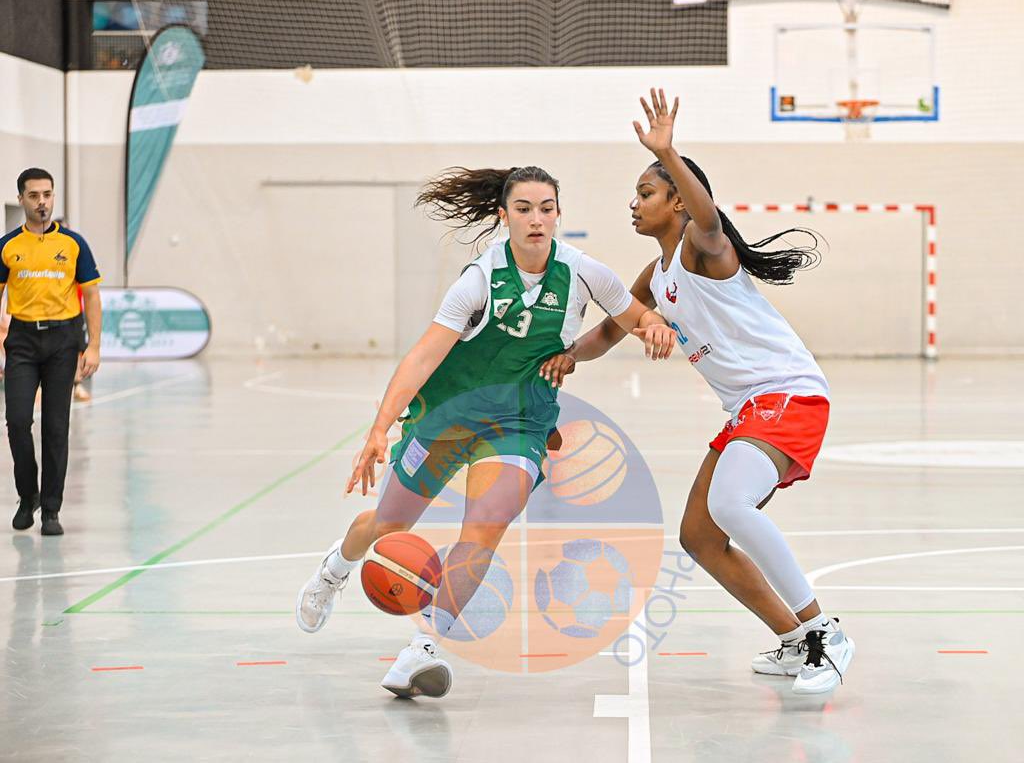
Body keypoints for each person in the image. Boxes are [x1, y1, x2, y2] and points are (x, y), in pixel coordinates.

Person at [295, 165, 675, 698]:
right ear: (504, 216)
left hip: (520, 424)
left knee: (482, 531)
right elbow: (426, 354)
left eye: (546, 208)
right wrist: (379, 429)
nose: (536, 219)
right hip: (449, 418)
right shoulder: (479, 279)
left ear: (558, 214)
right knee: (386, 524)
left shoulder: (586, 272)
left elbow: (637, 315)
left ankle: (423, 649)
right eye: (523, 209)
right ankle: (335, 570)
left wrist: (653, 326)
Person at [541, 90, 854, 695]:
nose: (634, 203)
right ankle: (793, 640)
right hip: (750, 408)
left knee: (730, 505)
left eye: (647, 192)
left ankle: (824, 635)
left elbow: (709, 221)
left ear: (679, 201)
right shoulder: (657, 275)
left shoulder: (703, 250)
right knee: (700, 536)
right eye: (635, 193)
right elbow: (612, 327)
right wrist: (567, 357)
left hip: (787, 395)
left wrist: (668, 150)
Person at [1, 168, 102, 535]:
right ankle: (27, 497)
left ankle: (51, 511)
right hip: (23, 341)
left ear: (53, 197)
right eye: (34, 196)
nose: (41, 202)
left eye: (47, 195)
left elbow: (91, 294)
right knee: (16, 422)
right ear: (22, 199)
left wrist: (93, 346)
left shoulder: (74, 244)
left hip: (63, 340)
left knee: (57, 427)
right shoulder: (7, 246)